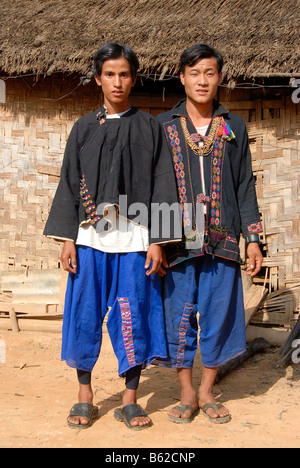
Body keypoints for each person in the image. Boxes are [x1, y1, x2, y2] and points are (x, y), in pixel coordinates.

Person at [44, 42, 180, 430]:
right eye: (109, 74)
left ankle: (130, 400)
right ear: (98, 78)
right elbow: (69, 183)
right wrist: (67, 238)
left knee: (132, 315)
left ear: (133, 78)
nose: (117, 82)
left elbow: (163, 183)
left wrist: (157, 240)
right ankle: (85, 395)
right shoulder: (84, 127)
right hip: (90, 242)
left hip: (135, 243)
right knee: (84, 315)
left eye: (124, 74)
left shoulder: (149, 127)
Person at [156, 43, 263, 424]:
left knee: (219, 314)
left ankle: (206, 391)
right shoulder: (164, 127)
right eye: (194, 73)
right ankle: (186, 392)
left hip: (224, 239)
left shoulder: (234, 126)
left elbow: (245, 183)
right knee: (179, 315)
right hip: (177, 241)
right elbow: (154, 186)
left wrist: (253, 237)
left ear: (219, 78)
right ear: (182, 77)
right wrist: (156, 241)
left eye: (210, 73)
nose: (202, 80)